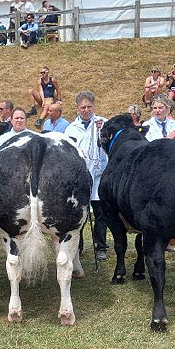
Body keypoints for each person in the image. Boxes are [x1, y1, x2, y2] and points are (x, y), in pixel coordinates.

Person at [64, 91, 109, 261]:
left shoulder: (103, 123)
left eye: (89, 106)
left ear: (94, 107)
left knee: (100, 215)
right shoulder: (70, 128)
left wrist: (102, 133)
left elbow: (108, 148)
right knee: (79, 216)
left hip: (98, 177)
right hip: (79, 179)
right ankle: (78, 246)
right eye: (83, 107)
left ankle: (101, 247)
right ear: (77, 109)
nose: (86, 110)